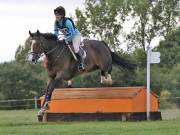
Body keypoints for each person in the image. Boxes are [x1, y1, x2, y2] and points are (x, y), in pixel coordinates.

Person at [53, 6, 85, 71]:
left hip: (75, 36)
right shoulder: (56, 23)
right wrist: (56, 38)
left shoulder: (67, 22)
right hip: (67, 37)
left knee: (75, 48)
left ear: (62, 15)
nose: (56, 16)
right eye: (55, 15)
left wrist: (66, 39)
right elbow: (56, 31)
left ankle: (81, 63)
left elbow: (73, 34)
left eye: (58, 15)